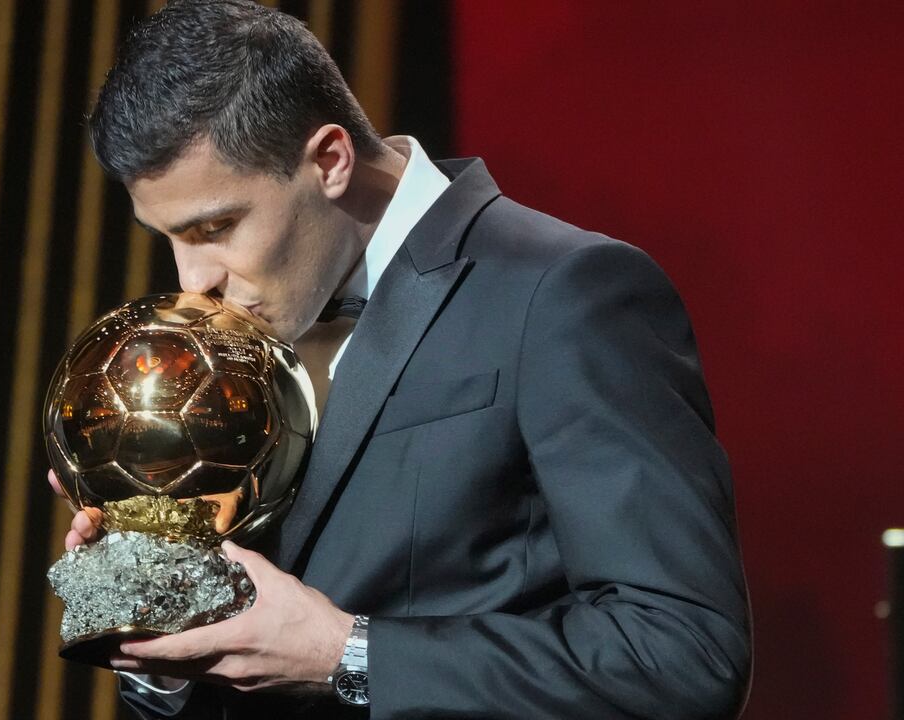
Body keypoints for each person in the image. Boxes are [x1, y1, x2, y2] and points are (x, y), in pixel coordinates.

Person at [46, 1, 753, 717]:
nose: (193, 280)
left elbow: (683, 655)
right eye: (169, 236)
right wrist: (160, 619)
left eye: (217, 226)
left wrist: (348, 658)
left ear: (329, 160)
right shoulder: (237, 345)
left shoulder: (563, 292)